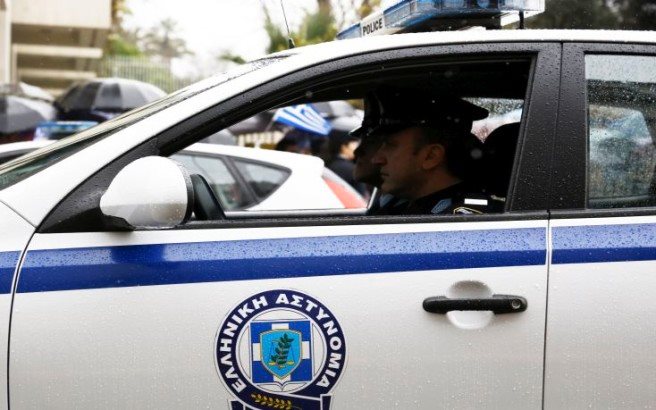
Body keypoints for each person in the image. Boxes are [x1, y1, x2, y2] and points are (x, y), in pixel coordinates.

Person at [360, 87, 498, 215]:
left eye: (390, 145)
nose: (376, 159)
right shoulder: (398, 204)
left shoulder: (461, 219)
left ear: (431, 156)